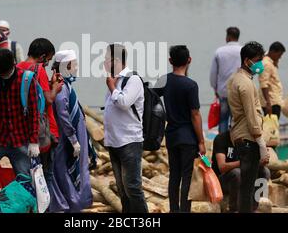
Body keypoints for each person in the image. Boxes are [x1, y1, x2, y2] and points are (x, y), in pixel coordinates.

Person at [154, 45, 206, 213]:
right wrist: (201, 141)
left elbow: (152, 97)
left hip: (172, 135)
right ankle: (184, 210)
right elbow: (195, 114)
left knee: (174, 176)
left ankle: (174, 210)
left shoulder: (164, 80)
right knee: (187, 177)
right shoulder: (191, 85)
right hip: (188, 137)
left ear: (170, 61)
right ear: (189, 60)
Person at [103, 43, 148, 213]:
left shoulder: (133, 79)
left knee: (133, 188)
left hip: (129, 141)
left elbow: (123, 103)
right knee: (122, 189)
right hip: (114, 142)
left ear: (115, 60)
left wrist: (113, 88)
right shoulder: (113, 80)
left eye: (106, 60)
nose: (105, 63)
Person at [0, 49, 41, 177]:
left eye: (5, 73)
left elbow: (34, 112)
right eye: (0, 74)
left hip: (21, 138)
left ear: (14, 63)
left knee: (24, 180)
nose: (3, 76)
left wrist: (34, 141)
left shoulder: (27, 80)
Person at [227, 41, 269, 213]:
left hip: (240, 135)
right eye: (258, 60)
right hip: (248, 138)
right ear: (247, 61)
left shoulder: (235, 78)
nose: (260, 64)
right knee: (248, 186)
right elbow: (252, 116)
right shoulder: (245, 84)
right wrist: (261, 143)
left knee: (247, 184)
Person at [50, 50, 93, 212]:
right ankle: (71, 203)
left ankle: (75, 201)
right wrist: (73, 139)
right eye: (74, 65)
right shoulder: (61, 86)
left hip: (72, 135)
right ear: (66, 66)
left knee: (76, 167)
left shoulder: (66, 84)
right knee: (65, 169)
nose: (76, 68)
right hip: (66, 137)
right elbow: (63, 113)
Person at [17, 38, 63, 187]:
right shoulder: (38, 69)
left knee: (25, 174)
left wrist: (48, 84)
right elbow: (48, 99)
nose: (47, 64)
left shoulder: (18, 68)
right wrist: (55, 87)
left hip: (21, 130)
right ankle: (45, 209)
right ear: (42, 57)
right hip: (41, 132)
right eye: (48, 60)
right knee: (45, 175)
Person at [212, 130, 270, 213]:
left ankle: (253, 207)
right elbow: (222, 167)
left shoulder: (250, 140)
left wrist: (261, 160)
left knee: (265, 172)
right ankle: (234, 209)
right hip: (223, 180)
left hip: (244, 178)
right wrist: (247, 161)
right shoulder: (222, 139)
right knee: (237, 173)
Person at [209, 27, 242, 133]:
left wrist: (215, 88)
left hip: (223, 91)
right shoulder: (243, 51)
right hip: (239, 91)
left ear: (228, 37)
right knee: (237, 120)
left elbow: (213, 73)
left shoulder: (219, 52)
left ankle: (222, 145)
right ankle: (235, 144)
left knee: (223, 119)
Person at [259, 42, 286, 119]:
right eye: (279, 55)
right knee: (271, 128)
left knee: (272, 126)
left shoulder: (269, 62)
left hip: (273, 101)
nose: (280, 57)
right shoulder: (267, 64)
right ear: (273, 52)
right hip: (271, 102)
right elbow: (264, 84)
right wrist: (268, 103)